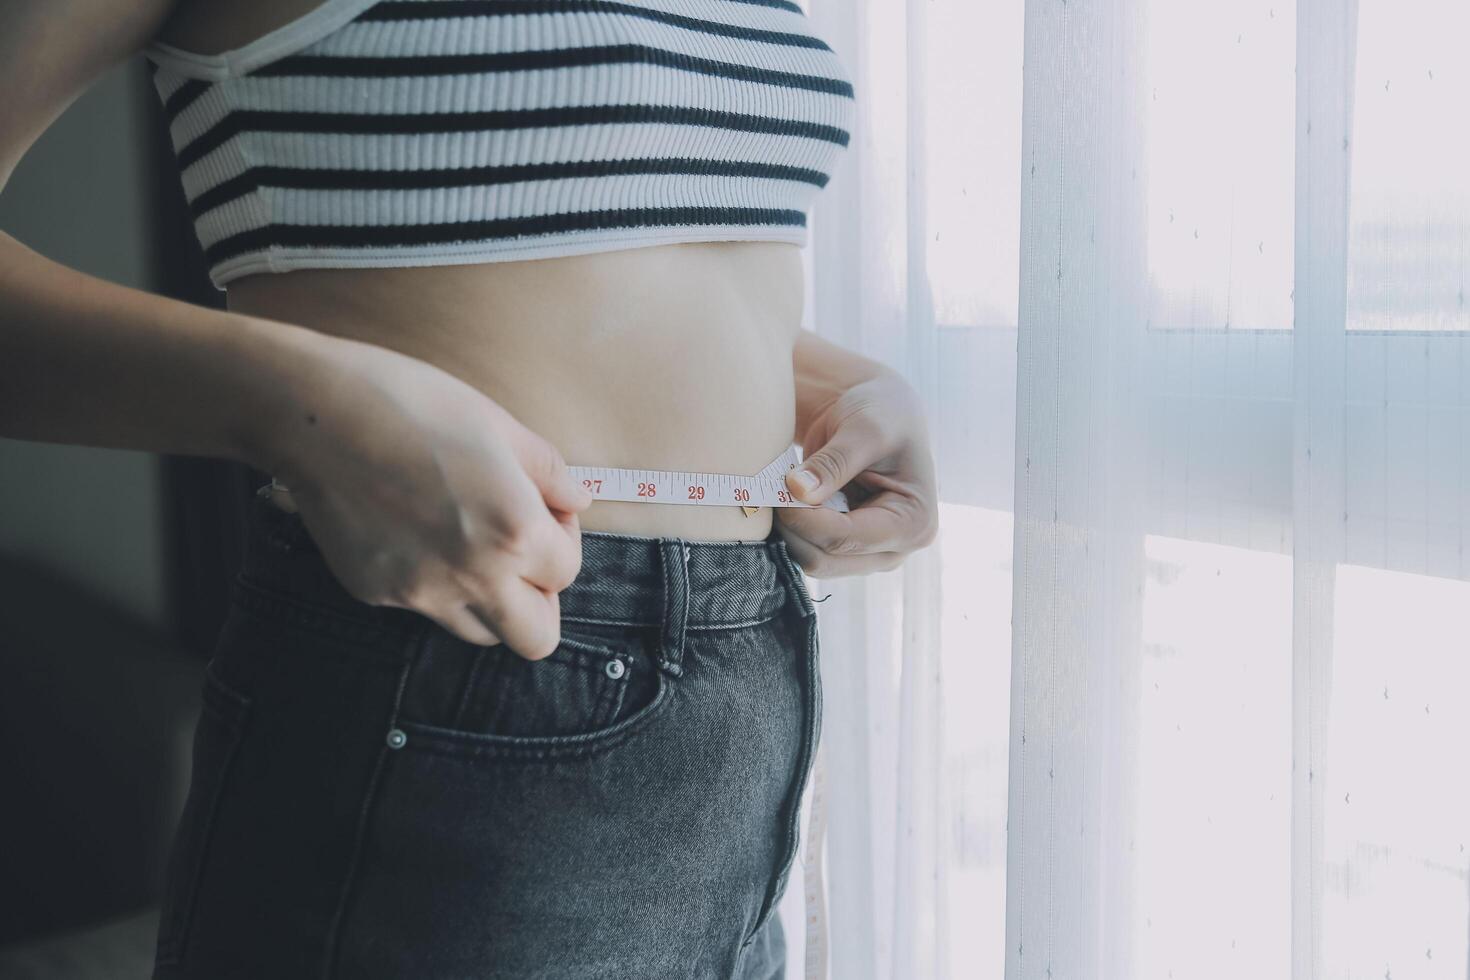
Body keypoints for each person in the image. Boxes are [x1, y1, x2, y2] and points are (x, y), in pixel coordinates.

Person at [0, 0, 938, 977]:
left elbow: (602, 248)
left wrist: (825, 384)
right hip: (466, 669)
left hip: (749, 691)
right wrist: (296, 404)